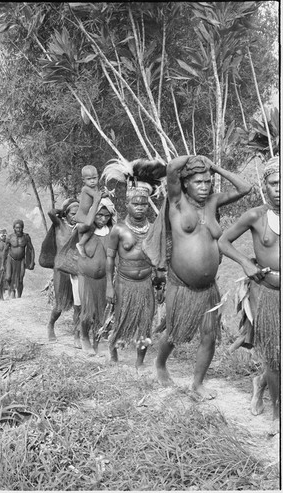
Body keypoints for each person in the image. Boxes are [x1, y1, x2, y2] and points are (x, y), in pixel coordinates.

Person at [148, 155, 251, 399]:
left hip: (208, 288)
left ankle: (197, 384)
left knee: (209, 336)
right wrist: (198, 158)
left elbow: (245, 188)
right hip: (181, 284)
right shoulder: (177, 202)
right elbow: (172, 167)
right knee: (175, 332)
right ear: (185, 184)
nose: (204, 187)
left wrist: (214, 166)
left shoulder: (213, 203)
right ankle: (160, 364)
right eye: (198, 182)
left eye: (207, 182)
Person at [218, 156, 279, 435]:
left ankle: (259, 383)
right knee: (275, 357)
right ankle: (278, 414)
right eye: (274, 183)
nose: (279, 188)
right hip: (268, 293)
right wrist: (245, 262)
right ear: (264, 186)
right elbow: (223, 241)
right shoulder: (256, 215)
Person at [106, 182, 161, 368]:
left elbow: (159, 258)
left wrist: (161, 282)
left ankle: (139, 362)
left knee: (145, 323)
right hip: (124, 283)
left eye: (144, 204)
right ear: (127, 205)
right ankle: (113, 355)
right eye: (135, 204)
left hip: (146, 283)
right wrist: (109, 286)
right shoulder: (119, 229)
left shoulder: (153, 229)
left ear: (148, 206)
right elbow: (110, 258)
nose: (139, 207)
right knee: (121, 319)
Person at [76, 191, 117, 355]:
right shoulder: (85, 229)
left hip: (104, 279)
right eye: (99, 215)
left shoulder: (112, 231)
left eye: (106, 216)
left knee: (102, 310)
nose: (102, 219)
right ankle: (84, 336)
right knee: (88, 310)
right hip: (86, 277)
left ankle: (97, 339)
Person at [46, 198, 81, 344]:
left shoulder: (82, 227)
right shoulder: (59, 225)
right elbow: (51, 212)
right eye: (73, 213)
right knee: (60, 305)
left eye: (78, 213)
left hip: (77, 270)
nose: (76, 216)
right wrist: (63, 210)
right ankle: (50, 325)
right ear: (66, 214)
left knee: (78, 305)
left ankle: (77, 336)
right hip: (61, 270)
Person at [3, 219, 35, 298]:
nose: (18, 229)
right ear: (14, 228)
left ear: (22, 228)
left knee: (20, 278)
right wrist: (2, 264)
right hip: (11, 259)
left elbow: (31, 249)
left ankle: (19, 296)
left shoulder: (26, 237)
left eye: (20, 228)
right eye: (17, 228)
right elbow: (5, 250)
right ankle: (11, 289)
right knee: (8, 277)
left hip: (21, 260)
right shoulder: (10, 237)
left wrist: (31, 262)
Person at [75, 165, 101, 258]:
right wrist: (102, 194)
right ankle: (81, 244)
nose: (92, 181)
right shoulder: (86, 189)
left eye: (94, 178)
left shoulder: (95, 188)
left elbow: (98, 195)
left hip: (89, 214)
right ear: (84, 180)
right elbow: (96, 197)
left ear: (98, 177)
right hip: (82, 216)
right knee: (92, 226)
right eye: (89, 179)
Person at [0, 228, 8, 300]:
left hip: (7, 262)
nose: (4, 237)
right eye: (2, 236)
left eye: (5, 235)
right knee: (0, 278)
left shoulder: (8, 243)